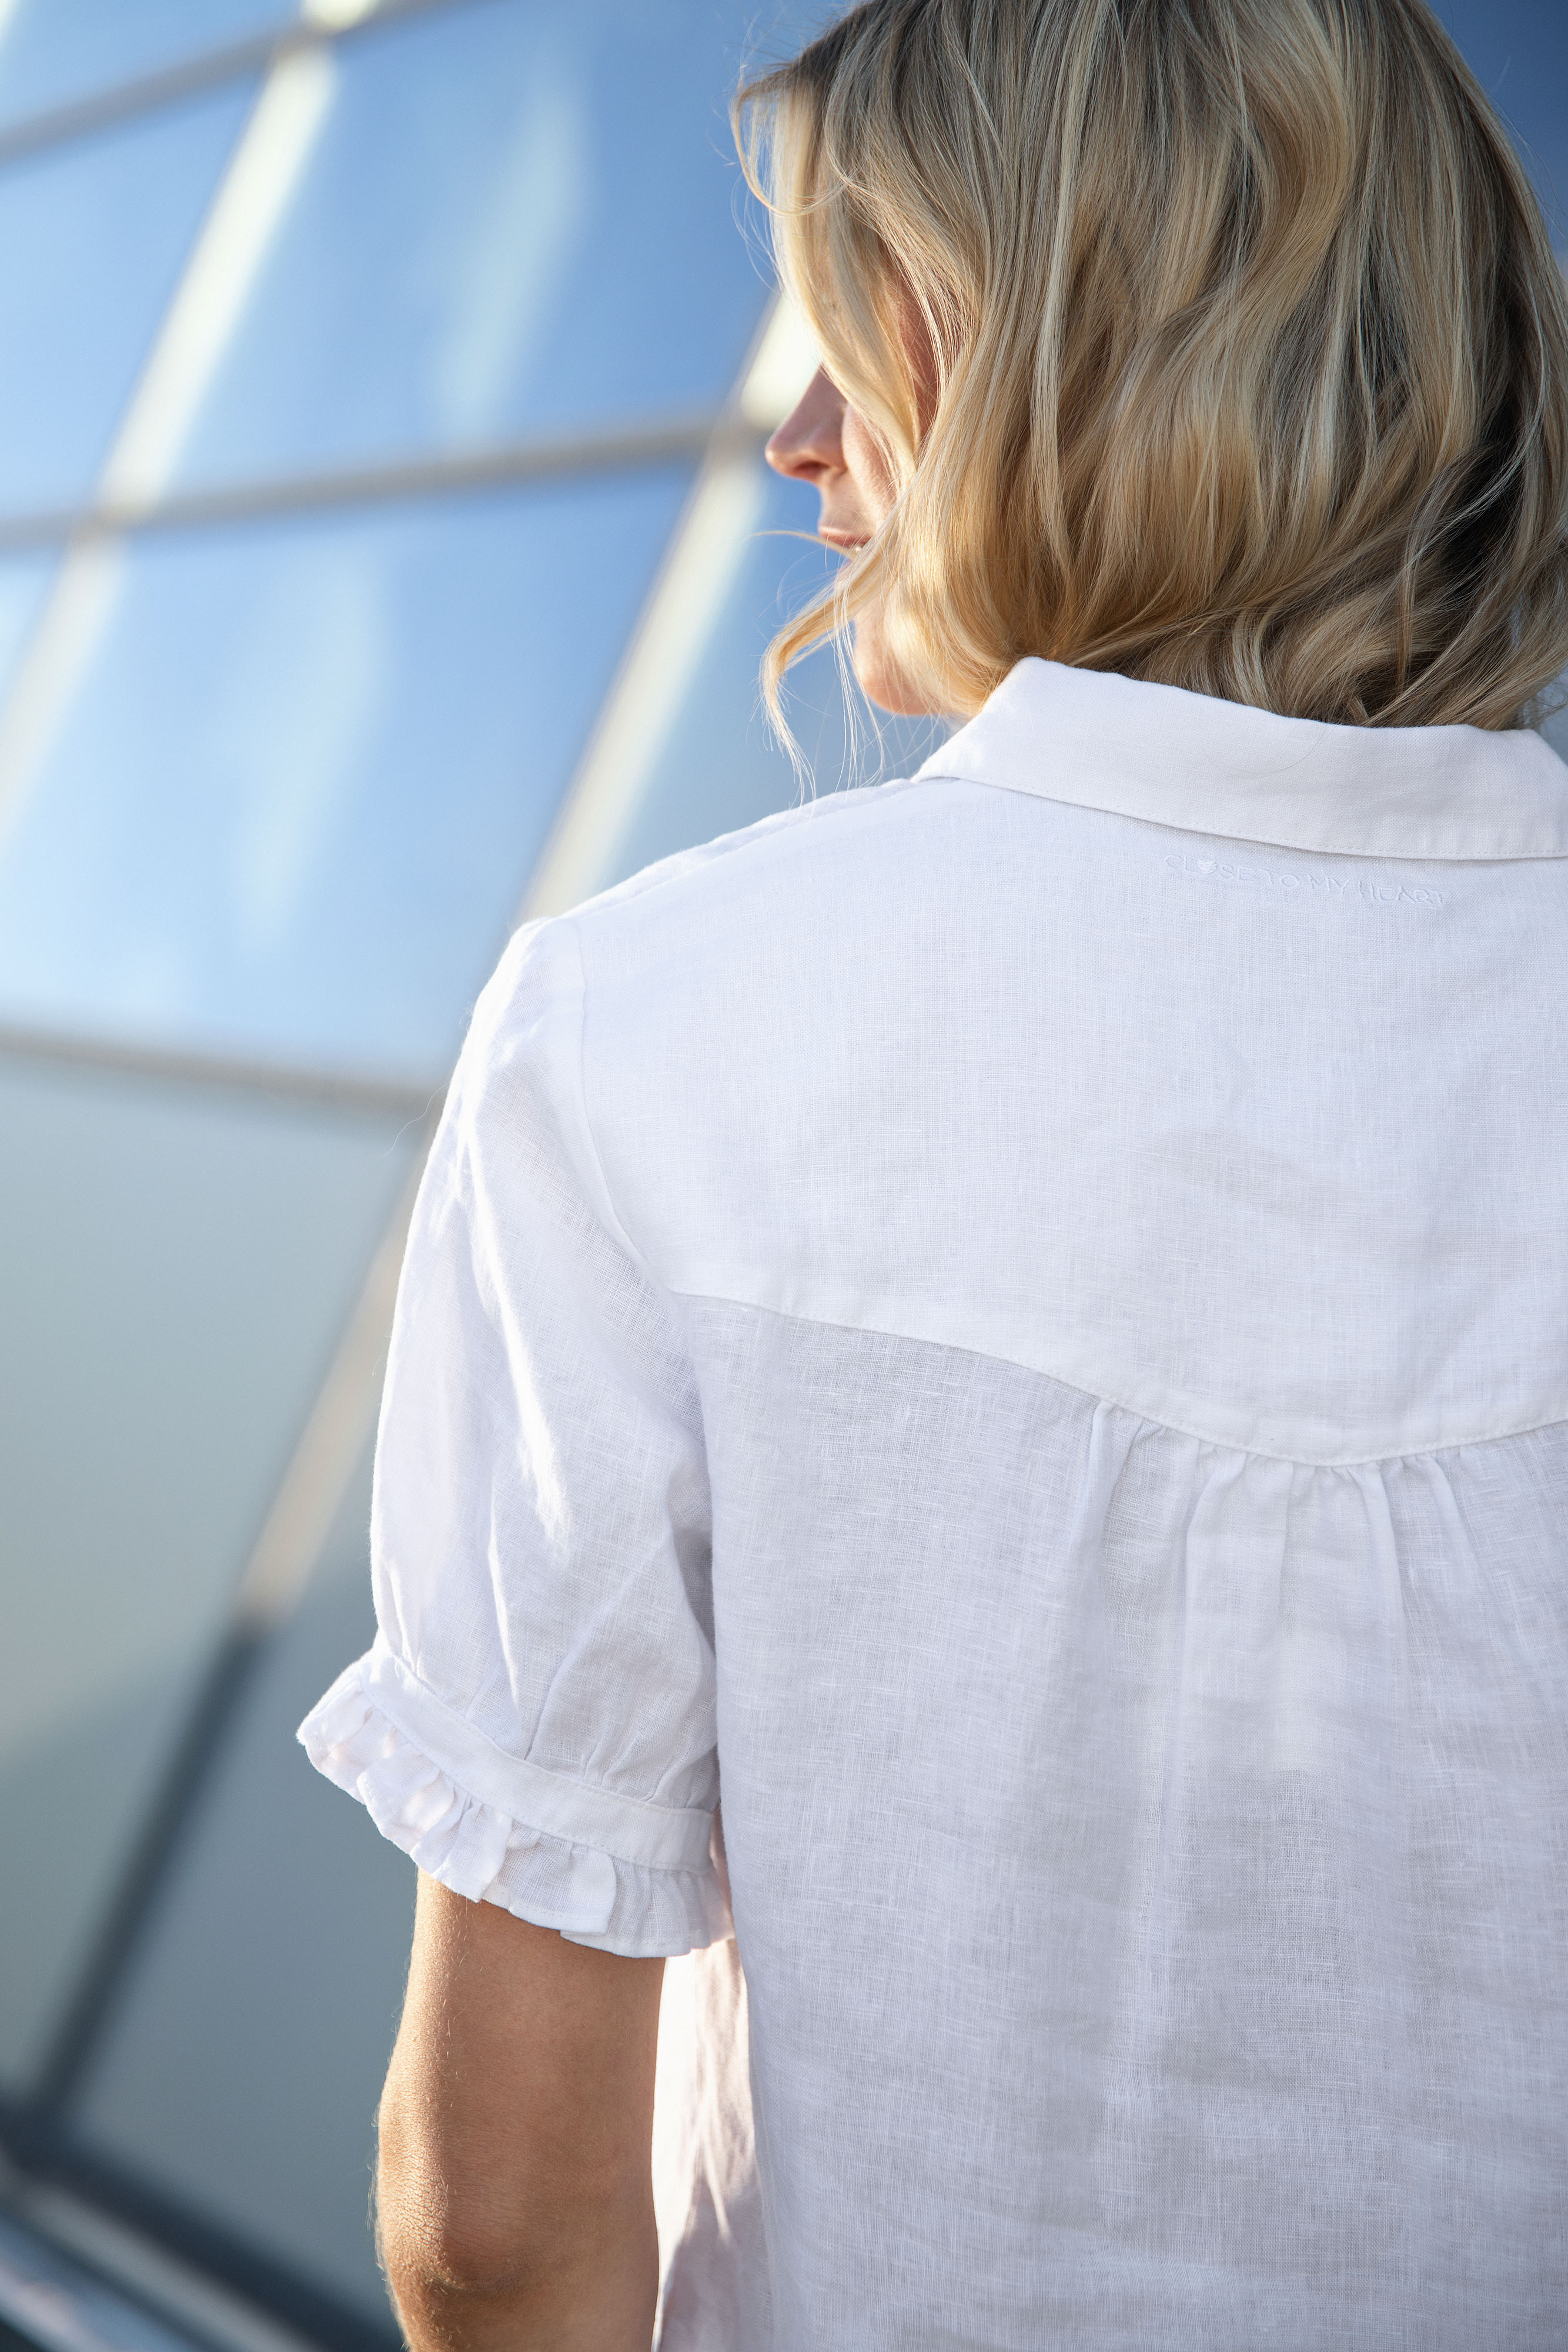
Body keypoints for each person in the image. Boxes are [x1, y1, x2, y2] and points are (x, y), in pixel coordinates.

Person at [298, 0, 1568, 2343]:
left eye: (851, 336)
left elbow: (495, 2214)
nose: (799, 443)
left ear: (1039, 358)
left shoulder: (653, 1033)